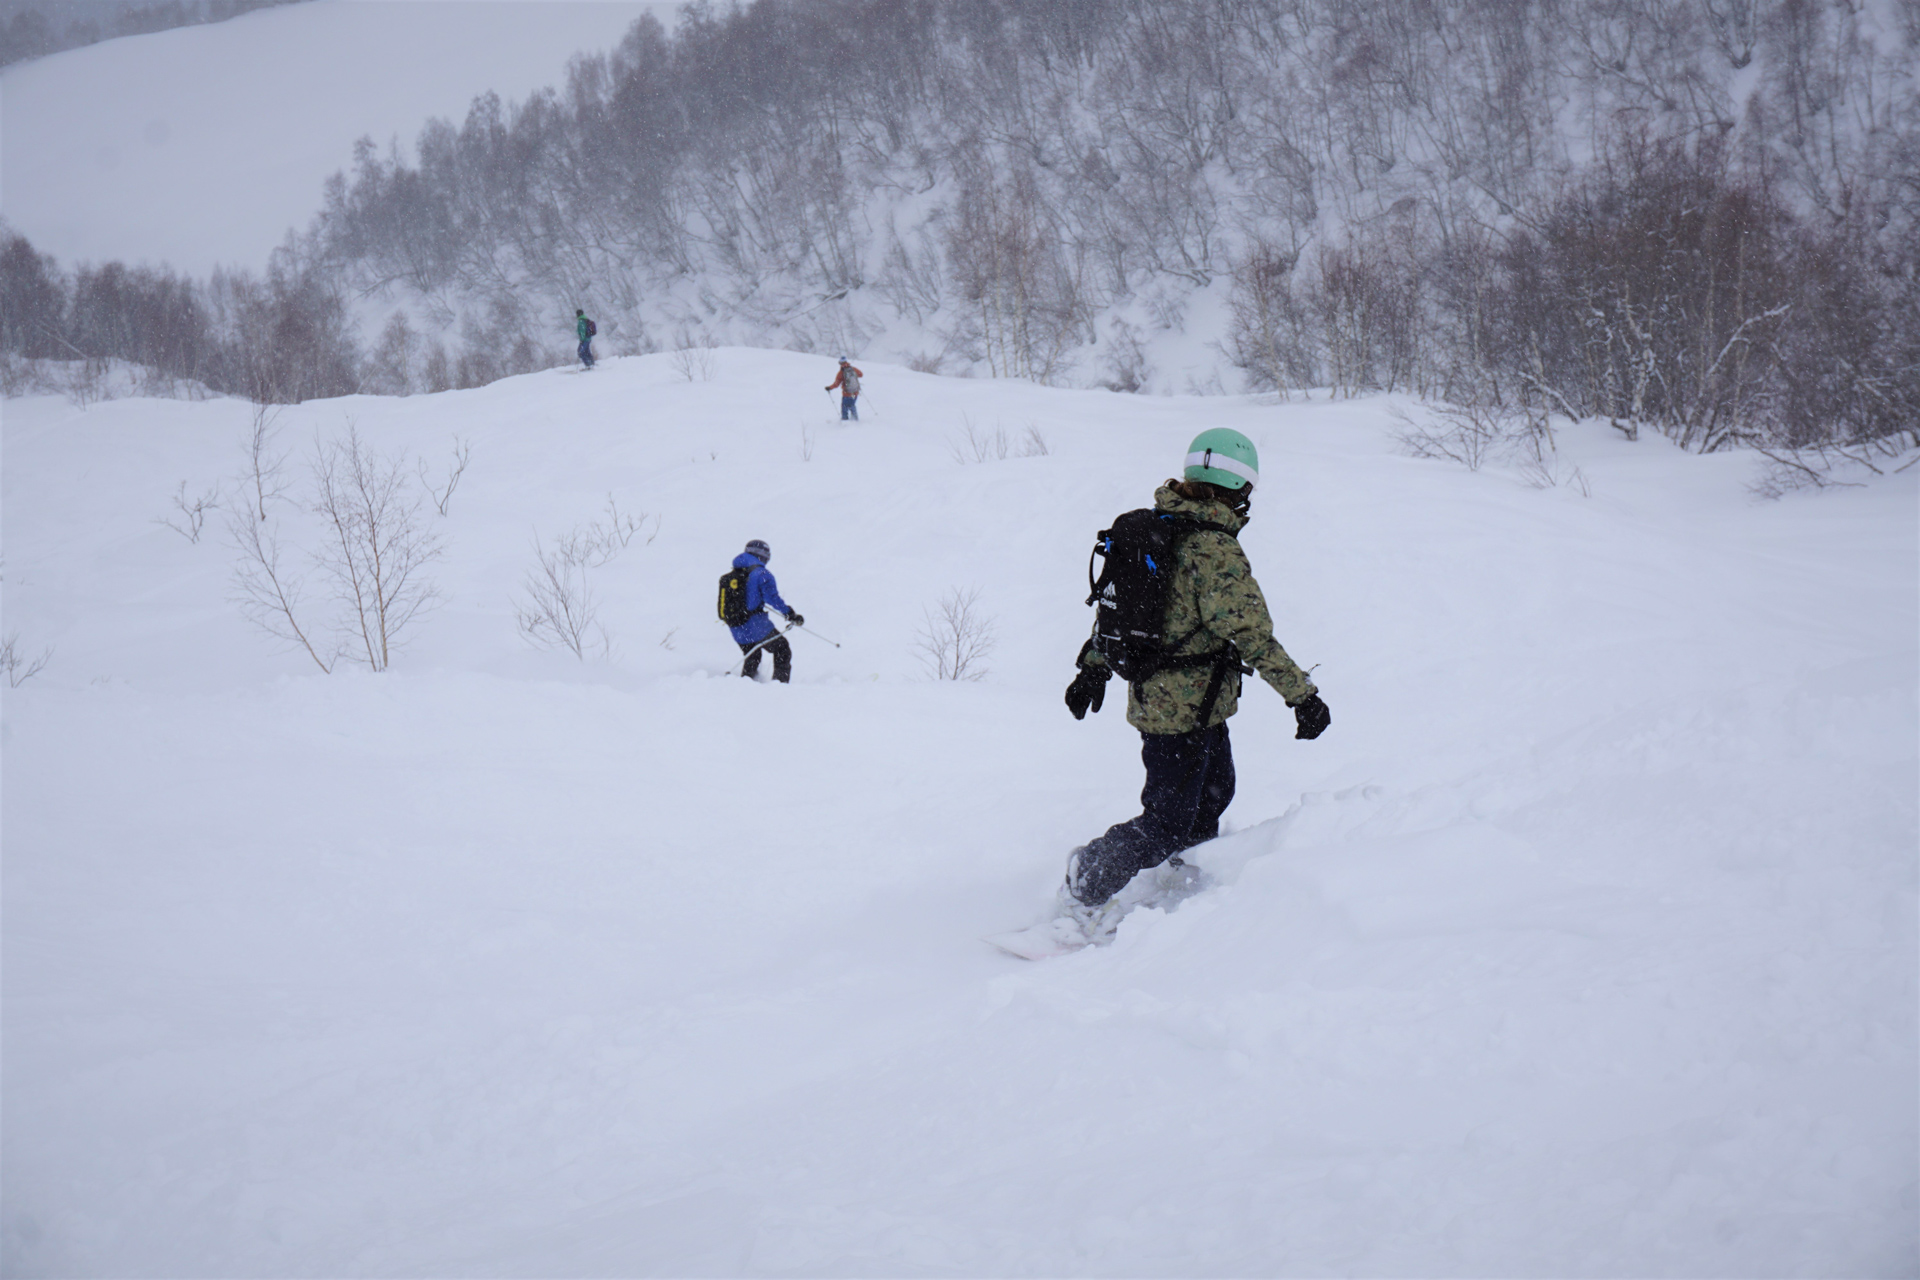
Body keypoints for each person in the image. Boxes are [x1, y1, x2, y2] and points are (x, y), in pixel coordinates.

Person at [1060, 428, 1331, 928]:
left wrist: (1092, 672)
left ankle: (1185, 878)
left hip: (1198, 702)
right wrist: (1302, 695)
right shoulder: (1212, 549)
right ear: (1241, 489)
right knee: (1165, 822)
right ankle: (1088, 879)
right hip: (1177, 710)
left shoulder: (1156, 528)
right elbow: (1250, 633)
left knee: (1214, 793)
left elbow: (1114, 616)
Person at [726, 539, 804, 683]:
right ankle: (780, 687)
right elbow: (772, 598)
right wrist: (790, 613)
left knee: (752, 655)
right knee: (782, 649)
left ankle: (744, 686)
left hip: (735, 625)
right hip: (755, 625)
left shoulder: (733, 573)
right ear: (763, 555)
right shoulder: (762, 574)